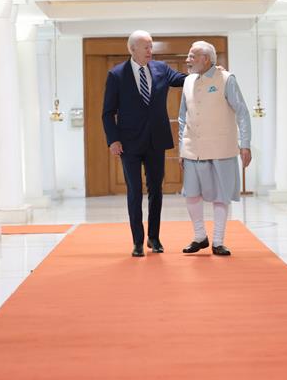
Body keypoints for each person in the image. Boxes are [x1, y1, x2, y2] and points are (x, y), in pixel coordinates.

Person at [102, 30, 186, 257]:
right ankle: (137, 241)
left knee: (156, 191)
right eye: (146, 47)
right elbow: (108, 113)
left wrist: (205, 72)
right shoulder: (117, 75)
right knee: (135, 192)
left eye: (151, 46)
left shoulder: (161, 69)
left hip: (156, 141)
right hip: (128, 143)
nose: (151, 50)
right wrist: (113, 139)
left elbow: (183, 80)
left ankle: (154, 238)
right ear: (132, 50)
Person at [179, 41, 251, 256]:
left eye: (192, 56)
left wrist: (245, 144)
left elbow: (243, 112)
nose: (187, 60)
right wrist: (182, 147)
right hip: (193, 149)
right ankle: (199, 236)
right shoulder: (188, 81)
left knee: (221, 196)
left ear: (206, 59)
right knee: (191, 195)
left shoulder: (227, 79)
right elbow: (183, 117)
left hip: (222, 148)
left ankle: (218, 241)